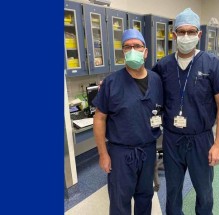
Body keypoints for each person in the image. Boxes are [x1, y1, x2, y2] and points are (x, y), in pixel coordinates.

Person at [151, 8, 219, 214]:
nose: (185, 36)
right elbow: (145, 86)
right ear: (174, 35)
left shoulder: (212, 64)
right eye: (181, 31)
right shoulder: (163, 66)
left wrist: (218, 144)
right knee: (173, 191)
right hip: (172, 140)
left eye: (191, 31)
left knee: (204, 192)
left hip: (202, 139)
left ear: (199, 34)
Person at [92, 29, 163, 215]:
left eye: (137, 46)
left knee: (145, 196)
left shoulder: (156, 80)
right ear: (123, 52)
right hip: (120, 153)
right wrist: (103, 154)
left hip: (148, 150)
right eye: (127, 46)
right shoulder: (111, 83)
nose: (133, 50)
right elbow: (99, 118)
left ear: (145, 52)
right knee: (119, 201)